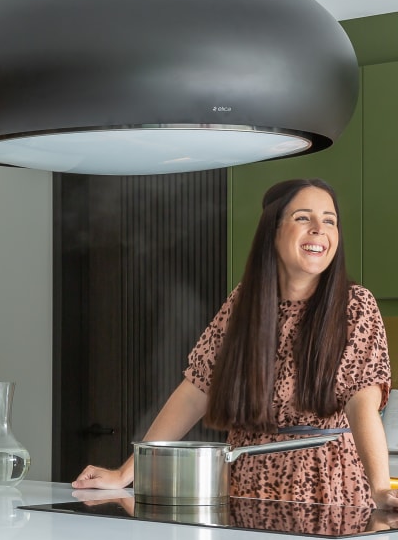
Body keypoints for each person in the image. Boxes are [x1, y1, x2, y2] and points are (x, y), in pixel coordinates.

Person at [73, 178, 398, 510]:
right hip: (247, 489)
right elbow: (196, 389)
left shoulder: (355, 305)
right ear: (273, 229)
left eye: (330, 220)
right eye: (303, 217)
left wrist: (380, 489)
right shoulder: (244, 303)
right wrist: (128, 471)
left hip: (330, 490)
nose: (319, 229)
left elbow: (363, 403)